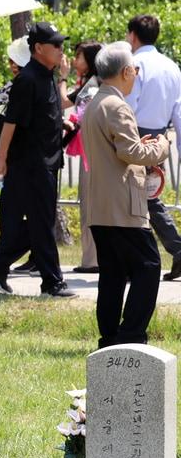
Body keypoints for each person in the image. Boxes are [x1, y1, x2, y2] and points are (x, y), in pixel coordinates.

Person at [80, 42, 171, 347]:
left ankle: (109, 338)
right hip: (122, 205)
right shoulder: (118, 106)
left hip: (101, 205)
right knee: (149, 266)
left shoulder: (96, 102)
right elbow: (131, 153)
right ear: (126, 71)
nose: (136, 74)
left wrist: (139, 146)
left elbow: (118, 149)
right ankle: (131, 334)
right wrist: (161, 146)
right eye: (135, 69)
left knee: (113, 274)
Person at [0, 22, 75, 298]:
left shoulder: (47, 75)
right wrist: (0, 159)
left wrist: (59, 123)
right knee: (41, 223)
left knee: (40, 223)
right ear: (39, 48)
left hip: (47, 161)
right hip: (30, 164)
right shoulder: (27, 79)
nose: (61, 49)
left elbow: (47, 109)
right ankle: (52, 283)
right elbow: (11, 122)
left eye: (62, 44)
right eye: (56, 45)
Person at [122, 14, 181, 281]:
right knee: (147, 196)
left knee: (137, 198)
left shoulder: (135, 65)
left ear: (133, 35)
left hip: (136, 134)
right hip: (160, 136)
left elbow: (129, 106)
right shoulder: (172, 66)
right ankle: (172, 250)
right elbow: (178, 110)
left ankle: (153, 255)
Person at [64, 40, 103, 273]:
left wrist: (62, 77)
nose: (74, 61)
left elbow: (62, 102)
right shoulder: (95, 83)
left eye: (79, 56)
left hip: (91, 154)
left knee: (89, 203)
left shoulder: (91, 86)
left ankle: (91, 260)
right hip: (94, 152)